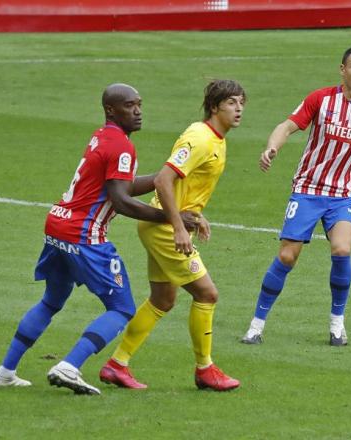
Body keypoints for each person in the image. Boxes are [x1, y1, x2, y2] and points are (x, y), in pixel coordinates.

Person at [0, 84, 199, 395]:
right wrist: (172, 217)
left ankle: (5, 372)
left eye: (139, 104)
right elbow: (121, 201)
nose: (138, 111)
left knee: (51, 301)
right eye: (130, 106)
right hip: (84, 234)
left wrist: (160, 178)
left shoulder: (104, 136)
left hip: (58, 224)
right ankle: (69, 366)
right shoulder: (122, 147)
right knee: (121, 307)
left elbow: (119, 186)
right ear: (111, 110)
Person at [242, 46, 351, 346]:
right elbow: (287, 126)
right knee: (288, 256)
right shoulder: (321, 100)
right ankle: (256, 325)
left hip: (343, 195)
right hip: (307, 190)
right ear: (342, 70)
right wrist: (271, 148)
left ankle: (337, 325)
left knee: (342, 250)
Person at [99, 79, 246, 391]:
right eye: (232, 103)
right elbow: (164, 179)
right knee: (207, 294)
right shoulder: (201, 139)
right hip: (165, 229)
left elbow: (184, 187)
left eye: (242, 103)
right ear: (215, 107)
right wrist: (179, 227)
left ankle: (117, 365)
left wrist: (194, 214)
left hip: (162, 225)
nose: (239, 109)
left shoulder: (216, 139)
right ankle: (205, 370)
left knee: (163, 300)